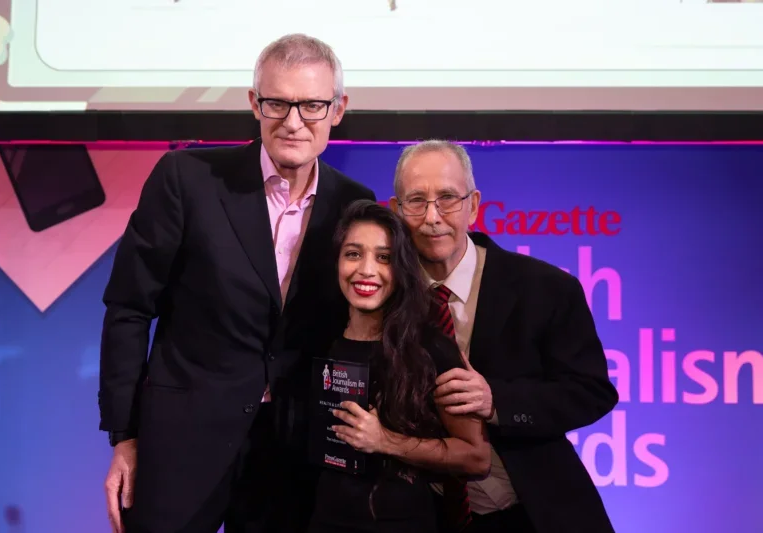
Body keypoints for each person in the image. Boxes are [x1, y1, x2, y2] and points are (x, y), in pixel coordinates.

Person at [98, 34, 375, 533]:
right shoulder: (187, 178)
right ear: (254, 104)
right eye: (277, 103)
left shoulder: (354, 202)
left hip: (291, 451)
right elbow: (129, 307)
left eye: (312, 105)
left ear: (338, 109)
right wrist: (124, 435)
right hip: (181, 445)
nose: (294, 122)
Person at [388, 140, 620, 533]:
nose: (432, 217)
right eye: (416, 201)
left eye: (447, 198)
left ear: (473, 205)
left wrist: (497, 399)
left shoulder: (546, 288)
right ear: (396, 211)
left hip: (533, 512)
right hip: (423, 515)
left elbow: (591, 392)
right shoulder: (384, 297)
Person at [308, 199, 491, 533]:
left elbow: (476, 457)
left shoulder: (429, 347)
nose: (366, 269)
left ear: (402, 267)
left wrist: (385, 441)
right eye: (353, 254)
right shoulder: (319, 340)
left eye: (383, 258)